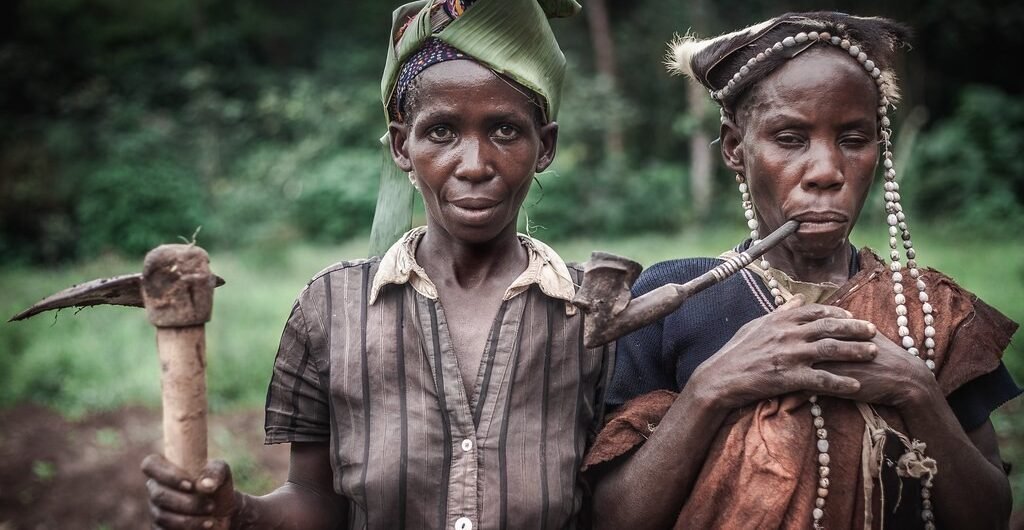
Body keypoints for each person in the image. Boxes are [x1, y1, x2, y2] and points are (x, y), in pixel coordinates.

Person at [141, 1, 616, 528]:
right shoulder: (330, 309)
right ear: (401, 145)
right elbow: (314, 497)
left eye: (504, 131)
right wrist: (235, 511)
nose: (475, 165)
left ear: (544, 146)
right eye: (441, 132)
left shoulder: (594, 314)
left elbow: (615, 503)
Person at [584, 12, 1020, 530]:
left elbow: (990, 516)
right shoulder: (669, 302)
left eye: (854, 139)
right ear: (734, 148)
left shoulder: (932, 313)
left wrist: (917, 391)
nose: (826, 172)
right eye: (790, 138)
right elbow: (611, 519)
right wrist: (711, 389)